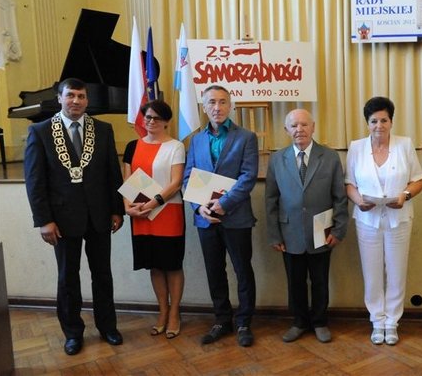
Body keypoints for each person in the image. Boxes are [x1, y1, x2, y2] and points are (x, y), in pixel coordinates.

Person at [23, 78, 125, 356]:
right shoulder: (40, 132)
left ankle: (108, 327)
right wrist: (43, 220)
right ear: (59, 98)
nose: (76, 101)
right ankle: (72, 333)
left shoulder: (103, 129)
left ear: (87, 100)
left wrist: (117, 209)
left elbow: (112, 173)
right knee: (68, 278)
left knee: (103, 275)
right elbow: (35, 181)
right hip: (62, 220)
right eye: (70, 95)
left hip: (100, 216)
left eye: (81, 96)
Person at [345, 97, 422, 346]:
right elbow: (350, 183)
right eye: (374, 121)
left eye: (384, 120)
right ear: (367, 123)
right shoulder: (356, 147)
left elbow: (418, 179)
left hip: (398, 218)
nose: (379, 125)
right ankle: (377, 321)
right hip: (367, 219)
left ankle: (392, 323)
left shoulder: (405, 144)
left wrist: (405, 195)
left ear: (391, 121)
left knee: (397, 271)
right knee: (371, 273)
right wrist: (358, 200)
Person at [183, 85, 258, 347]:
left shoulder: (246, 137)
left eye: (223, 102)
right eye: (212, 102)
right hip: (205, 219)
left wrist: (224, 204)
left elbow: (248, 176)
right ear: (204, 107)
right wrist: (199, 207)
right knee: (214, 271)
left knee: (242, 270)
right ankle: (222, 320)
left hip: (236, 217)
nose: (217, 107)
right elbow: (188, 177)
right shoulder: (196, 141)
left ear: (230, 106)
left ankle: (244, 322)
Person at [265, 109, 348, 343]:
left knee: (320, 280)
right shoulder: (277, 159)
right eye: (294, 126)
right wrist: (274, 235)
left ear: (313, 127)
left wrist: (338, 230)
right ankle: (299, 322)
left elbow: (340, 197)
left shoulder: (329, 157)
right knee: (295, 281)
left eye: (304, 124)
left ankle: (320, 321)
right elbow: (271, 199)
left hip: (322, 231)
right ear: (286, 130)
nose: (299, 129)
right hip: (288, 232)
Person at [122, 100, 185, 339]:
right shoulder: (132, 146)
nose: (151, 121)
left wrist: (151, 203)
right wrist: (127, 207)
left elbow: (175, 183)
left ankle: (175, 313)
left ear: (166, 121)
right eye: (147, 117)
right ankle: (162, 311)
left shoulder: (175, 146)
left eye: (157, 118)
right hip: (140, 215)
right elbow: (127, 181)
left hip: (168, 212)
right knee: (154, 265)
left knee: (172, 264)